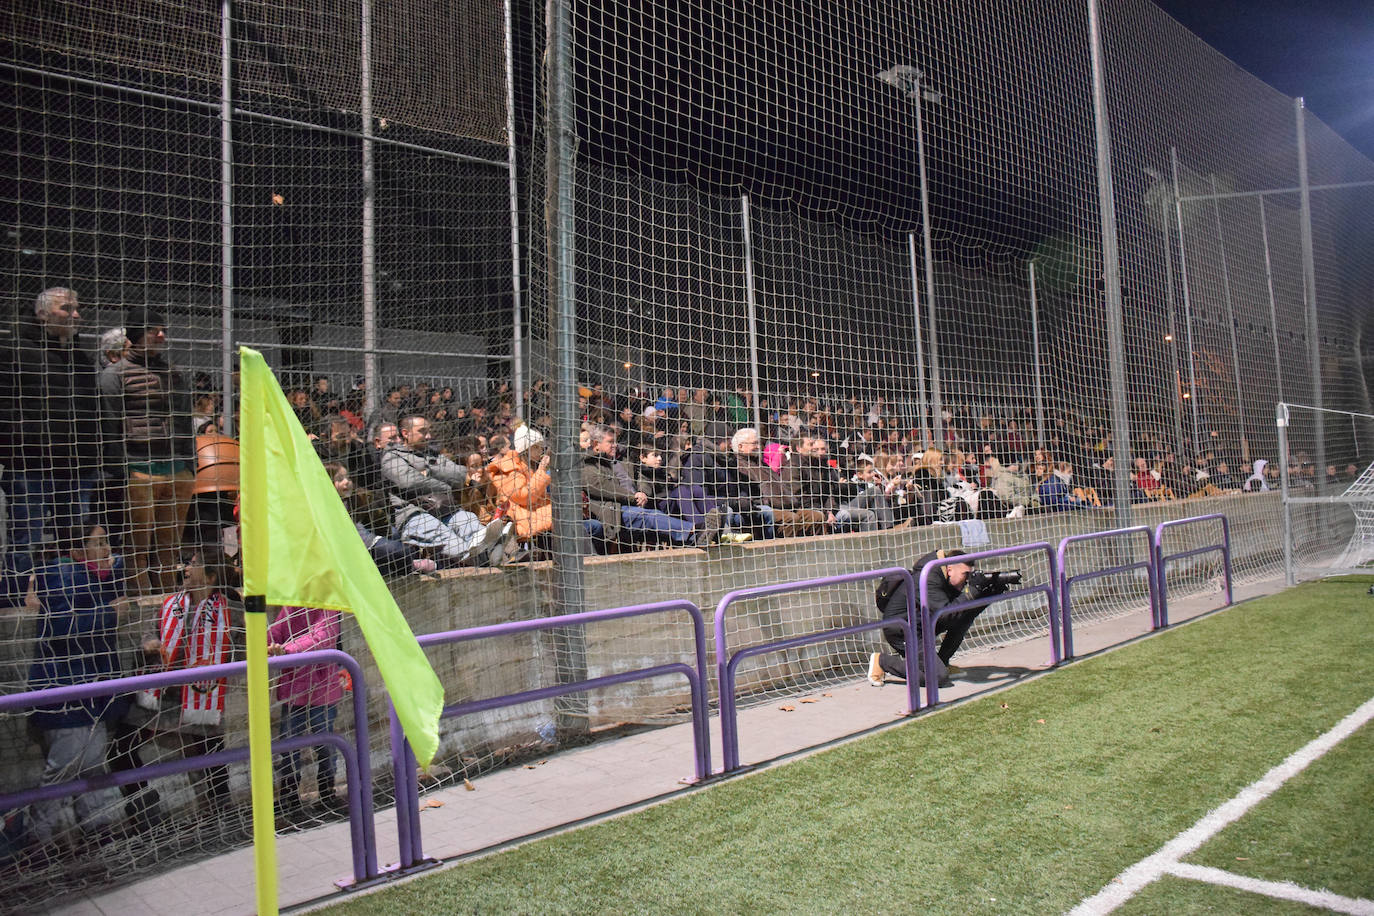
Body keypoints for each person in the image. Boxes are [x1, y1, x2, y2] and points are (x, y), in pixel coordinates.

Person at [24, 521, 127, 851]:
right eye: (98, 543)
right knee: (62, 771)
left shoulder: (92, 576)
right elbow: (65, 626)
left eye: (106, 542)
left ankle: (98, 830)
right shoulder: (62, 575)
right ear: (77, 551)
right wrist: (110, 614)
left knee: (93, 767)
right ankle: (34, 839)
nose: (106, 550)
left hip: (90, 697)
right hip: (66, 696)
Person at [0, 288, 105, 601]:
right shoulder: (15, 350)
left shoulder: (81, 358)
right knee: (26, 539)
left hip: (77, 467)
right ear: (42, 313)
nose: (76, 315)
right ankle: (15, 602)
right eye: (66, 308)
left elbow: (94, 407)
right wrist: (25, 440)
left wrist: (96, 451)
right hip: (31, 467)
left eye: (77, 308)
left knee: (75, 539)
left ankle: (69, 597)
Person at [99, 307, 196, 593]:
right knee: (137, 544)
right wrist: (122, 469)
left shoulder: (173, 374)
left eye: (162, 329)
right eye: (154, 330)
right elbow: (109, 423)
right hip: (138, 468)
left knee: (170, 545)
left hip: (177, 469)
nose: (161, 334)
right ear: (137, 334)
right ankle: (140, 601)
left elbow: (184, 419)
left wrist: (190, 465)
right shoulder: (114, 375)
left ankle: (169, 600)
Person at [139, 545, 235, 818]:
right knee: (125, 745)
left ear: (210, 576)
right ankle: (144, 804)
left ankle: (220, 809)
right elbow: (149, 631)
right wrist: (149, 643)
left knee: (210, 751)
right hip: (163, 693)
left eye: (193, 563)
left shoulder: (229, 609)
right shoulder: (171, 604)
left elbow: (243, 645)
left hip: (204, 694)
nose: (186, 568)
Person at [381, 414, 506, 566]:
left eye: (429, 431)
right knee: (449, 539)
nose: (428, 436)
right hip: (414, 514)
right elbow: (409, 482)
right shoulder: (392, 458)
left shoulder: (434, 455)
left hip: (445, 510)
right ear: (406, 433)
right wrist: (445, 484)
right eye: (422, 431)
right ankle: (490, 557)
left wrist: (429, 471)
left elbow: (459, 474)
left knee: (469, 520)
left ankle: (496, 547)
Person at [267, 606, 347, 820]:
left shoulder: (327, 606)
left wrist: (286, 650)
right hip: (294, 688)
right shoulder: (291, 606)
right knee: (289, 746)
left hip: (322, 688)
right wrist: (267, 640)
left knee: (325, 745)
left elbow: (322, 637)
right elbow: (276, 631)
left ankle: (327, 792)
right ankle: (290, 796)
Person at [867, 548, 990, 687]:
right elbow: (946, 613)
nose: (968, 579)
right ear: (950, 569)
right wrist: (972, 591)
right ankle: (882, 662)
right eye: (965, 574)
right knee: (938, 678)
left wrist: (990, 592)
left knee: (964, 617)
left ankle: (942, 662)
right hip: (902, 630)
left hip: (923, 624)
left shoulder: (942, 575)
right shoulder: (928, 578)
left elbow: (958, 612)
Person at [582, 424, 696, 547]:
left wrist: (642, 493)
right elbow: (603, 487)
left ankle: (697, 536)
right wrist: (634, 496)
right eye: (610, 442)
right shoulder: (589, 465)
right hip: (615, 511)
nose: (615, 445)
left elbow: (640, 477)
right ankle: (693, 531)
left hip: (638, 503)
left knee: (666, 508)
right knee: (649, 516)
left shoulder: (623, 461)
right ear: (596, 444)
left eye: (615, 441)